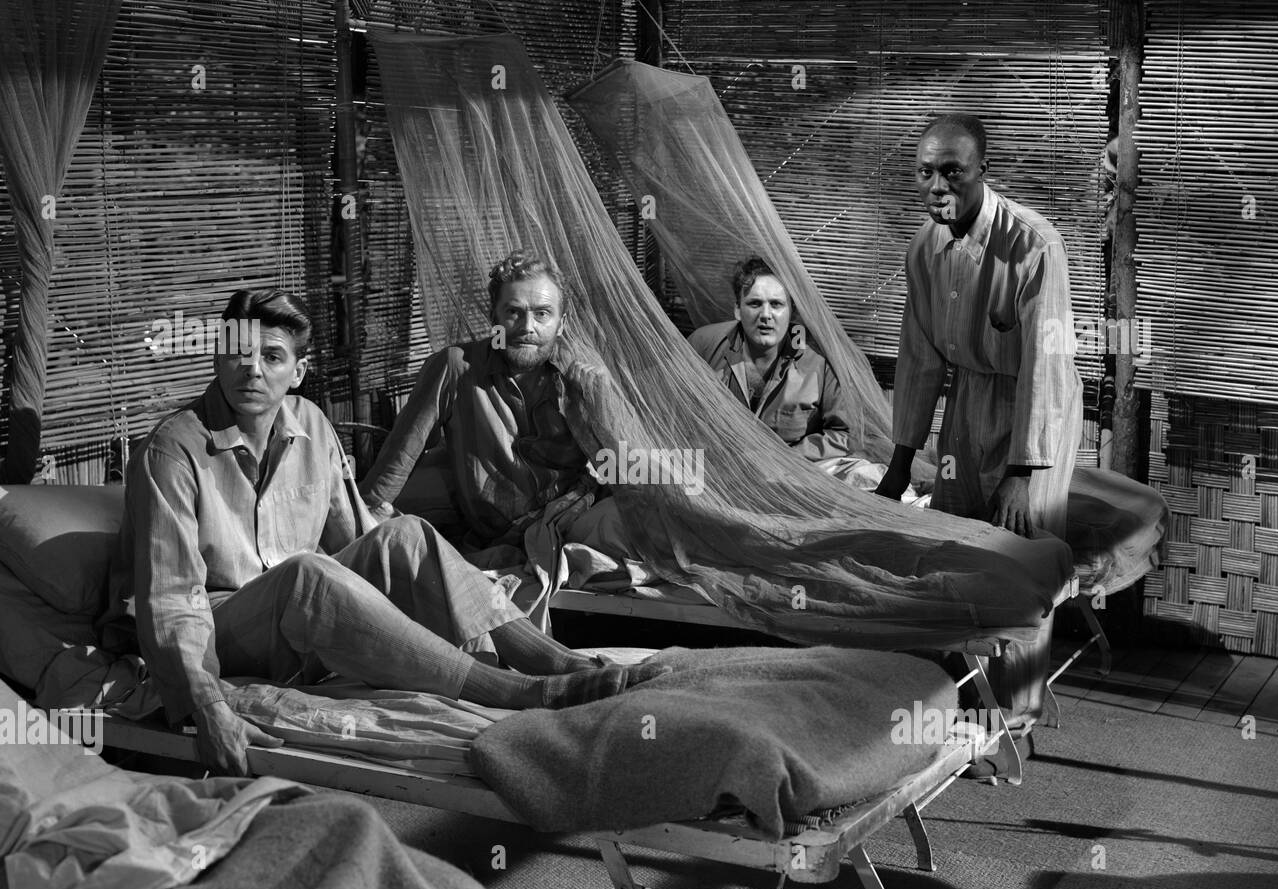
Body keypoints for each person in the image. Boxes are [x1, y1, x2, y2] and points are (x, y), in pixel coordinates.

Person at [100, 289, 661, 776]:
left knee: (406, 533)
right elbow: (172, 599)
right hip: (219, 626)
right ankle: (519, 693)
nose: (253, 371)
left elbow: (359, 542)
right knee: (307, 573)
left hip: (293, 620)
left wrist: (427, 575)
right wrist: (204, 700)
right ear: (219, 360)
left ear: (297, 371)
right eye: (238, 355)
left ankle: (557, 662)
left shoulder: (312, 425)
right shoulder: (172, 449)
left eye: (272, 357)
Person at [875, 113, 1083, 741]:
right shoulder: (923, 249)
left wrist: (1023, 471)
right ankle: (958, 692)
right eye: (925, 172)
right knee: (958, 538)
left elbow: (1048, 363)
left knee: (1018, 559)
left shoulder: (1033, 244)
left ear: (982, 171)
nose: (937, 186)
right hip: (968, 402)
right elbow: (917, 358)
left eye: (952, 173)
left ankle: (1014, 715)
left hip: (1031, 409)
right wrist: (899, 462)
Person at [361, 251, 609, 552]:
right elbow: (398, 461)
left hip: (572, 519)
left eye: (542, 314)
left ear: (561, 323)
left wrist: (600, 407)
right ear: (494, 317)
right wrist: (363, 525)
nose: (527, 327)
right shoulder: (456, 368)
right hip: (502, 535)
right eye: (514, 312)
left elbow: (618, 468)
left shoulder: (579, 377)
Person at [687, 256, 851, 462]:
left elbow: (844, 435)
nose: (766, 315)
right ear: (738, 309)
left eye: (776, 304)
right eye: (755, 303)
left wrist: (783, 459)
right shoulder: (702, 345)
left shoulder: (819, 360)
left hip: (792, 475)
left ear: (792, 312)